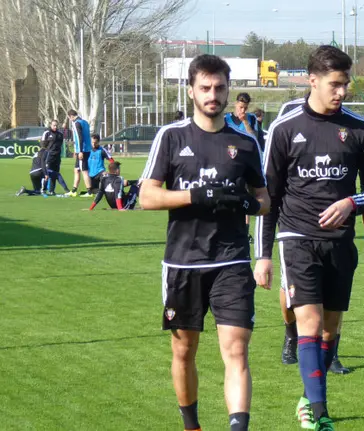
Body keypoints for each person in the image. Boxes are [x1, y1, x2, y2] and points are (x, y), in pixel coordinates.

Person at [253, 45, 364, 431]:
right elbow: (267, 199)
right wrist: (262, 255)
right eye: (335, 84)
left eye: (345, 84)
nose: (341, 92)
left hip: (341, 242)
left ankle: (309, 397)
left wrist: (351, 203)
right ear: (312, 81)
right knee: (308, 323)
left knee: (330, 330)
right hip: (296, 239)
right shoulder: (284, 128)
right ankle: (321, 413)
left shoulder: (361, 129)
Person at [139, 54, 270, 431]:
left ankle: (237, 427)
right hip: (183, 263)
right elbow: (147, 196)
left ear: (229, 91)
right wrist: (195, 197)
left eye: (220, 88)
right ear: (191, 90)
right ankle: (191, 426)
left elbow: (264, 201)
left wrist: (247, 202)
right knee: (184, 350)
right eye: (205, 88)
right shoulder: (172, 136)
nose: (213, 95)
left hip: (231, 261)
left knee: (237, 350)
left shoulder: (244, 142)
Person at [273, 96, 352, 376]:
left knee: (331, 307)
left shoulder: (348, 123)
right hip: (295, 233)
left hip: (336, 237)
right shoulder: (288, 113)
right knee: (293, 298)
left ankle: (332, 355)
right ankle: (290, 334)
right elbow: (272, 185)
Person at [66, 109, 93, 197]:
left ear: (71, 116)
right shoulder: (84, 122)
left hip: (83, 150)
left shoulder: (76, 123)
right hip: (86, 149)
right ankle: (74, 190)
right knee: (76, 170)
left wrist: (80, 151)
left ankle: (89, 192)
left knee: (84, 171)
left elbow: (79, 138)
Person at [40, 120, 69, 194]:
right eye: (54, 125)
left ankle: (51, 190)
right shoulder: (47, 133)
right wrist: (47, 151)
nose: (55, 127)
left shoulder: (60, 134)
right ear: (51, 125)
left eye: (56, 125)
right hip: (49, 156)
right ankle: (43, 189)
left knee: (55, 173)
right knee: (48, 173)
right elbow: (43, 144)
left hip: (57, 157)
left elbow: (60, 144)